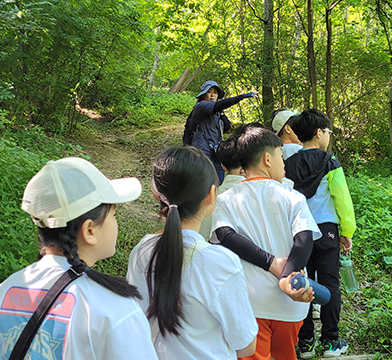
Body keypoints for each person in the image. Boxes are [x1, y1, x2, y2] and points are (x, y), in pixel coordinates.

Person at [0, 157, 158, 360]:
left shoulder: (3, 293)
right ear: (89, 230)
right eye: (113, 215)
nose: (115, 222)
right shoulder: (115, 310)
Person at [127, 147, 258, 360]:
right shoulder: (219, 263)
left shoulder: (140, 252)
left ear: (155, 195)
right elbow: (245, 345)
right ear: (211, 195)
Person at [209, 126, 321, 360]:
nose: (284, 164)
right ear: (267, 159)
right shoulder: (292, 196)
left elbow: (225, 235)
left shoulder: (226, 199)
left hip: (250, 303)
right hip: (290, 302)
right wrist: (287, 278)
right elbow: (304, 238)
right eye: (281, 156)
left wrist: (271, 263)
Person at [285, 109, 357, 358]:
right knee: (330, 284)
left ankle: (305, 342)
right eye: (328, 132)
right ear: (319, 133)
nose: (329, 136)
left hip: (299, 232)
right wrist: (346, 231)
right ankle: (331, 341)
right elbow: (342, 199)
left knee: (302, 282)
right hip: (327, 231)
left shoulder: (288, 163)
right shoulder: (329, 161)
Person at [182, 80, 256, 183]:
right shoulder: (200, 106)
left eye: (215, 92)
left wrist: (221, 112)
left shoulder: (216, 112)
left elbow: (226, 127)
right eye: (209, 92)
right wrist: (241, 97)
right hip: (202, 150)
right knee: (204, 181)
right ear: (203, 95)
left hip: (216, 151)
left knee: (219, 181)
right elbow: (219, 105)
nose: (212, 95)